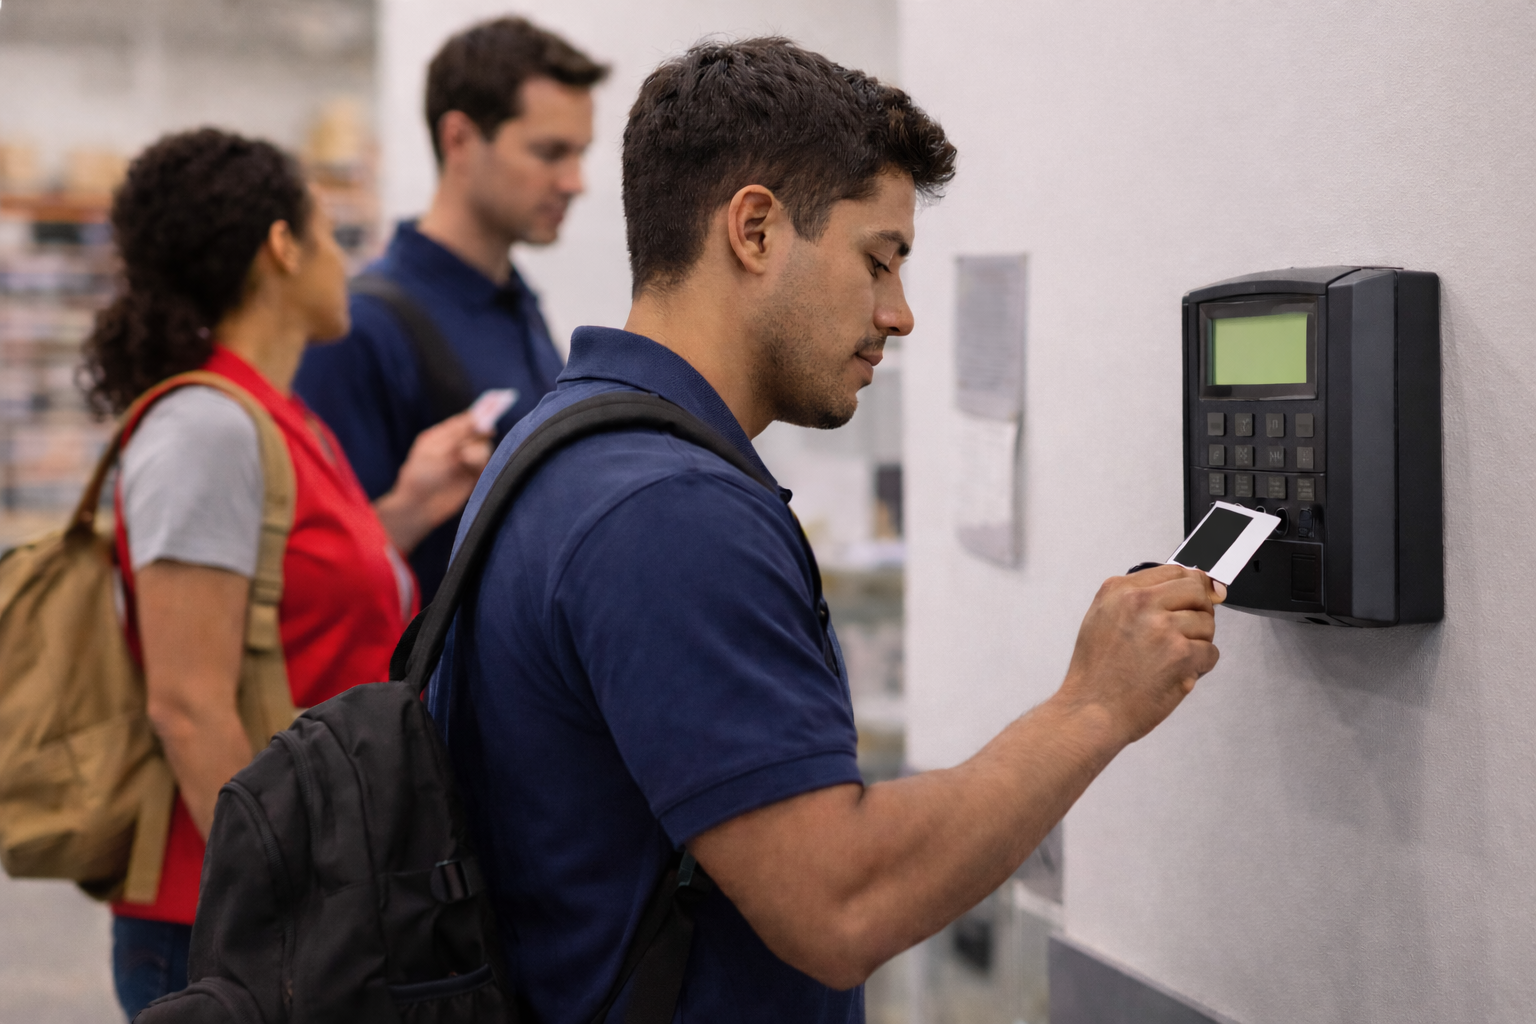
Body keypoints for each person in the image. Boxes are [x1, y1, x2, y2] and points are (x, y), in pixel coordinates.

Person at [427, 38, 1224, 1023]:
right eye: (877, 261)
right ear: (756, 229)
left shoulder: (563, 438)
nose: (900, 314)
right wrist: (1092, 705)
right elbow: (839, 902)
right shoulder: (667, 511)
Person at [80, 129, 491, 1020]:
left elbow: (283, 595)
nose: (347, 261)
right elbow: (187, 705)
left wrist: (411, 504)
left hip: (294, 905)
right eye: (329, 232)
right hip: (225, 935)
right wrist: (296, 908)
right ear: (281, 247)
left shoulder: (275, 418)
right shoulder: (206, 429)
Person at [294, 16, 608, 602]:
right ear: (459, 139)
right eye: (549, 152)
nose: (574, 181)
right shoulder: (362, 331)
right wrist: (409, 510)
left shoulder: (515, 302)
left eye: (580, 153)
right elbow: (312, 583)